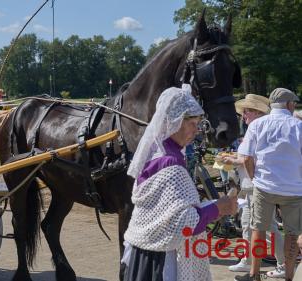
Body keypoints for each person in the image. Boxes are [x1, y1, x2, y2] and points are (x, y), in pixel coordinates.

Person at [122, 84, 238, 281]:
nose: (196, 131)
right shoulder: (171, 162)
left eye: (199, 124)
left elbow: (167, 214)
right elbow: (183, 225)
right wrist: (219, 208)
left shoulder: (156, 151)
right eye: (192, 123)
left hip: (143, 252)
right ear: (173, 121)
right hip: (161, 260)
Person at [234, 88, 302, 281]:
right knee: (292, 233)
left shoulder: (258, 125)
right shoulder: (299, 126)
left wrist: (255, 178)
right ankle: (289, 276)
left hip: (264, 186)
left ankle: (254, 274)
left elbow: (247, 157)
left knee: (258, 228)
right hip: (294, 189)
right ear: (289, 105)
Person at [219, 94, 285, 278]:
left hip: (257, 185)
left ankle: (282, 264)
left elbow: (252, 158)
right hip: (251, 185)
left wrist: (233, 159)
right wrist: (235, 158)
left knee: (269, 226)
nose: (243, 115)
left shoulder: (260, 128)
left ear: (257, 111)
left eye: (246, 111)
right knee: (247, 224)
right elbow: (250, 156)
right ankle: (248, 260)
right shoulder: (257, 128)